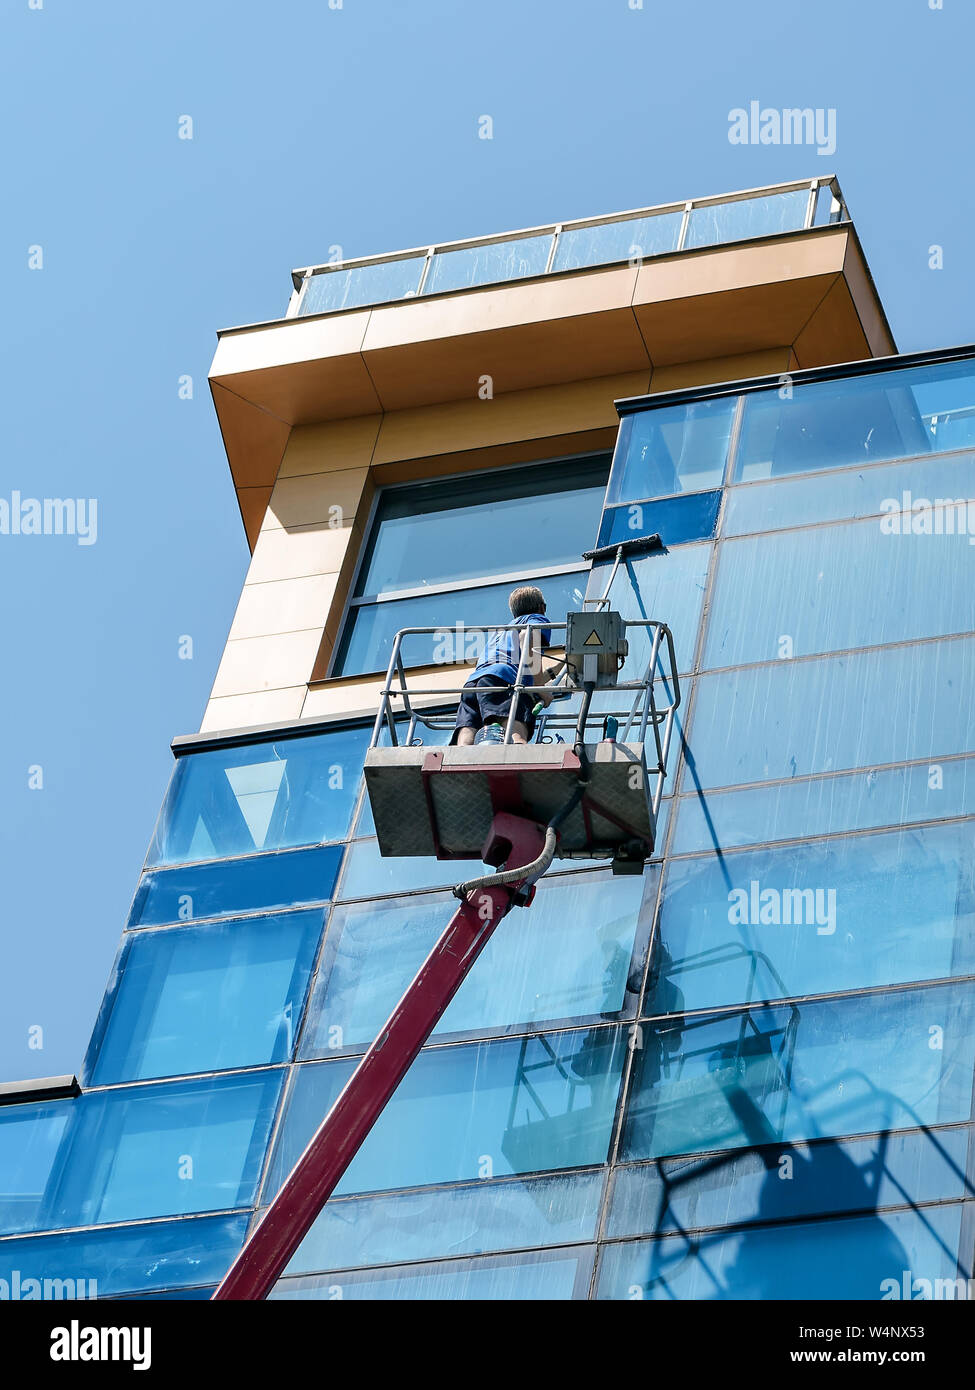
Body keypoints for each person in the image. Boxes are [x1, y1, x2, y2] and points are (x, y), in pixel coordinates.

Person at [451, 585, 561, 745]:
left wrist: (548, 677)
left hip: (474, 684)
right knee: (516, 736)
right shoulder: (536, 619)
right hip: (504, 681)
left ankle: (459, 764)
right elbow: (528, 640)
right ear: (542, 607)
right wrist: (540, 689)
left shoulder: (501, 631)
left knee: (468, 736)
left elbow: (520, 668)